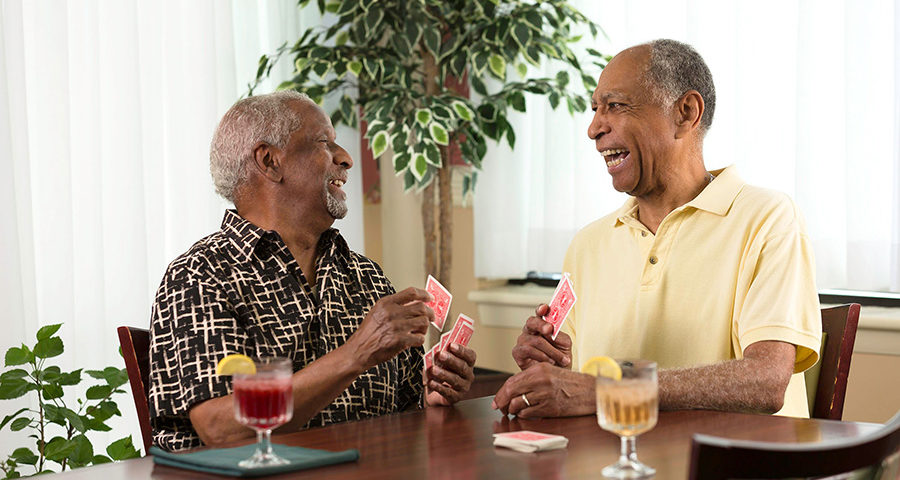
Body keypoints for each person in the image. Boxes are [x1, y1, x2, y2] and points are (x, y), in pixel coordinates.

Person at [493, 39, 821, 419]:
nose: (594, 128)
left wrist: (605, 391)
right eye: (595, 109)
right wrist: (551, 371)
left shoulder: (769, 218)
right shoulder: (587, 244)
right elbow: (578, 387)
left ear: (685, 113)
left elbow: (766, 379)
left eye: (615, 106)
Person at [147, 91, 476, 452]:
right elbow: (224, 431)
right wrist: (356, 353)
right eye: (324, 142)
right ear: (270, 161)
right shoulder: (199, 275)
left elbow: (406, 413)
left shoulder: (367, 276)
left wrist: (433, 394)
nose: (347, 158)